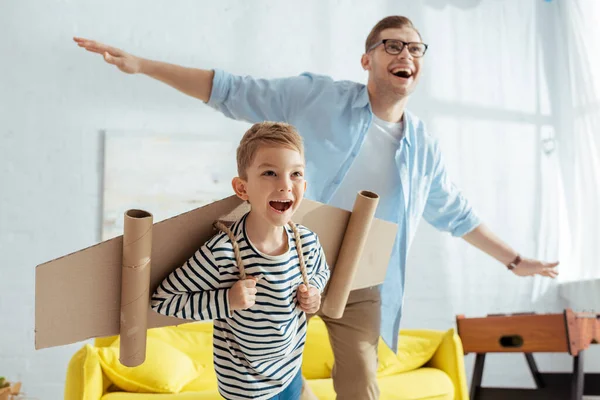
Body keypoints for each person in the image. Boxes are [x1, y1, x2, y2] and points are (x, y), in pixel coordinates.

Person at [75, 15, 559, 399]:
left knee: (360, 384)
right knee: (268, 370)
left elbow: (454, 212)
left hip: (361, 278)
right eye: (391, 44)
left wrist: (514, 261)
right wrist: (144, 65)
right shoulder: (318, 97)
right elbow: (232, 90)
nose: (405, 53)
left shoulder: (423, 147)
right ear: (366, 60)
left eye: (415, 47)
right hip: (283, 258)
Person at [150, 121, 331, 400]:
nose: (285, 185)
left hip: (290, 372)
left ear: (304, 185)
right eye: (270, 173)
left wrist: (315, 291)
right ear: (242, 188)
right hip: (246, 389)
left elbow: (322, 270)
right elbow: (163, 299)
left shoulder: (306, 242)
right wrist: (227, 300)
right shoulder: (222, 253)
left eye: (295, 174)